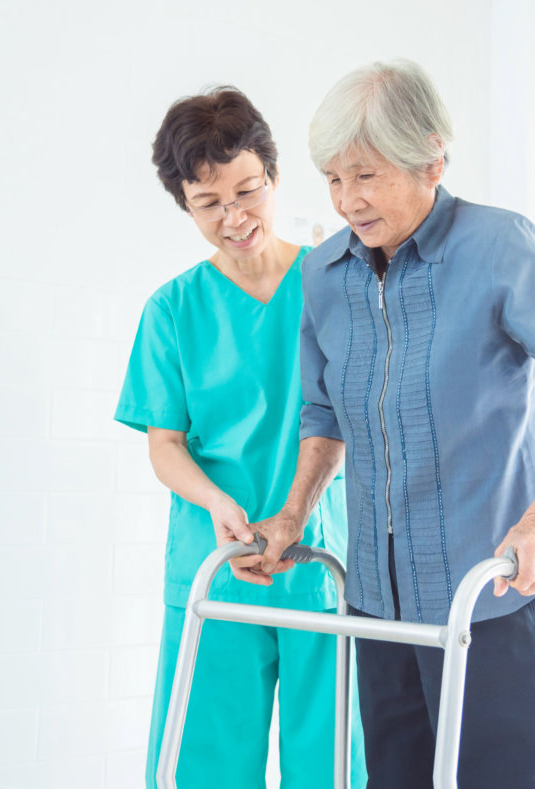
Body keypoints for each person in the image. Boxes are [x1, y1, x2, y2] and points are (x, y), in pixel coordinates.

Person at [239, 60, 535, 787]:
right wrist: (292, 513)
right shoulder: (324, 273)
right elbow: (322, 412)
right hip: (377, 608)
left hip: (491, 600)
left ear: (431, 158)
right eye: (332, 178)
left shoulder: (499, 248)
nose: (346, 201)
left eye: (365, 175)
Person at [115, 87, 366, 789]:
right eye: (209, 204)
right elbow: (164, 443)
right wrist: (218, 504)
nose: (235, 217)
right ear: (185, 206)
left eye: (247, 191)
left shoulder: (334, 282)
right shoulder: (172, 310)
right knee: (205, 767)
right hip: (215, 564)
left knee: (334, 767)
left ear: (274, 177)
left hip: (321, 562)